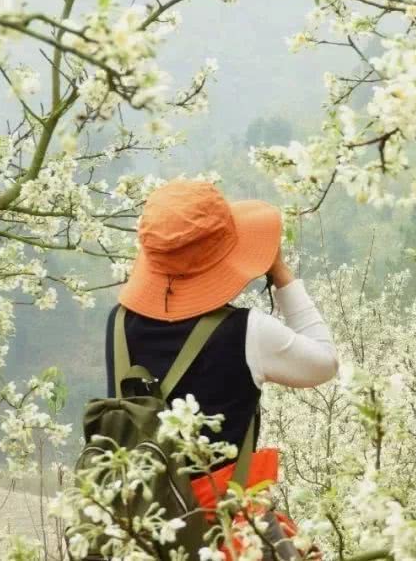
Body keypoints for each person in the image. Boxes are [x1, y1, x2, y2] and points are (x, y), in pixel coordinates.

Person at [104, 179, 338, 553]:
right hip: (227, 533)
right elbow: (324, 364)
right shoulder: (246, 331)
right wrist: (281, 273)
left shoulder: (118, 323)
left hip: (147, 532)